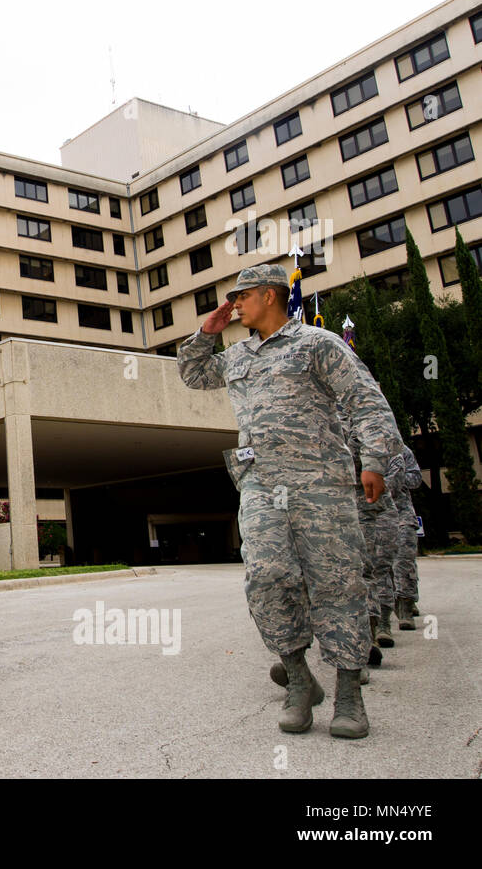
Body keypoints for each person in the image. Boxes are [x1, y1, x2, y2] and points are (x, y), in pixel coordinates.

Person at [178, 263, 400, 739]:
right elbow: (193, 375)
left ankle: (348, 695)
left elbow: (366, 400)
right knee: (266, 576)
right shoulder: (236, 356)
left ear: (270, 296)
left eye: (241, 297)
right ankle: (299, 681)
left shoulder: (317, 344)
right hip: (260, 484)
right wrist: (206, 331)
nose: (234, 304)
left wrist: (375, 460)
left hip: (320, 483)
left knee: (336, 583)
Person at [390, 444, 423, 629]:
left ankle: (405, 606)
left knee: (404, 559)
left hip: (401, 513)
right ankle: (390, 605)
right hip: (374, 513)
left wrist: (394, 476)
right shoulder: (359, 448)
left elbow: (416, 478)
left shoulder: (402, 451)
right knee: (381, 566)